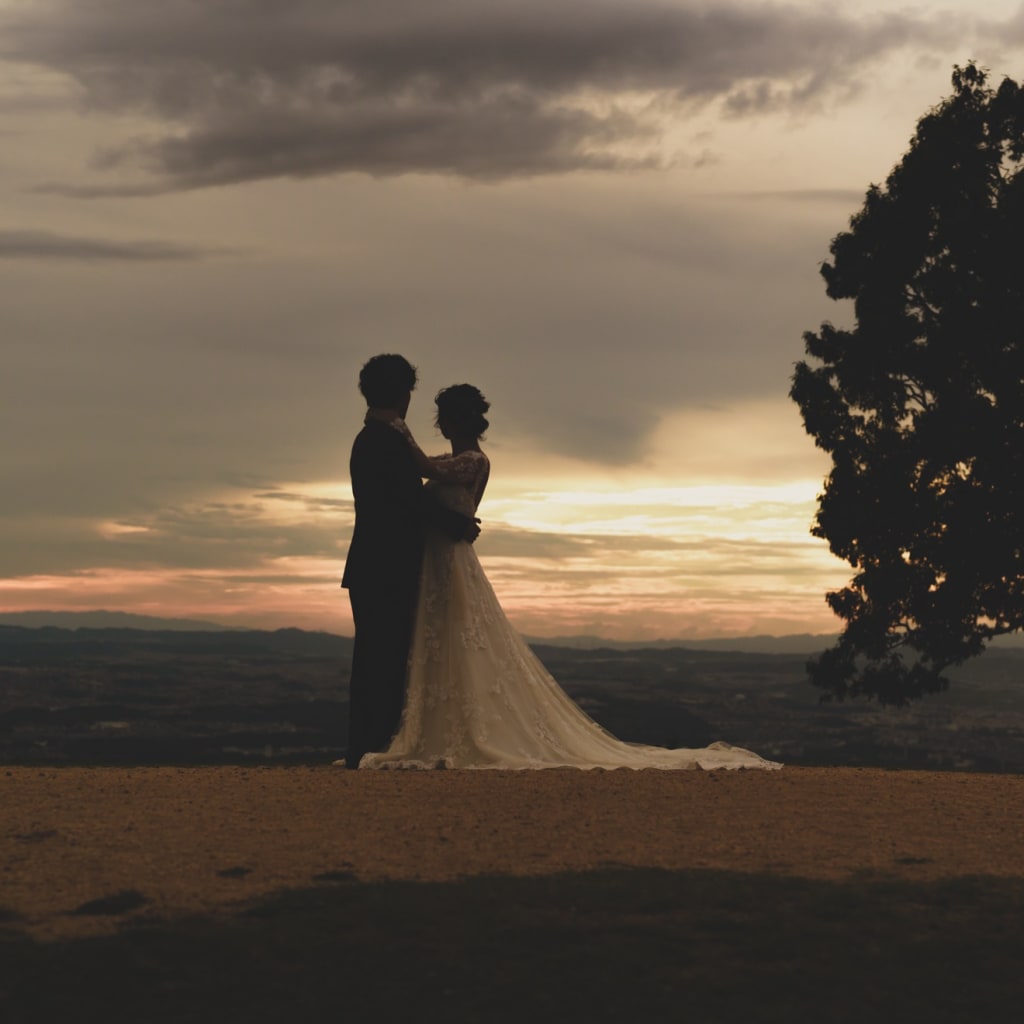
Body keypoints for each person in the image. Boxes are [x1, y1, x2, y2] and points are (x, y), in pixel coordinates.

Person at [361, 383, 780, 771]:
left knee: (461, 640)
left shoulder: (472, 461)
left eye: (445, 417)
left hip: (452, 563)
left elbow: (420, 467)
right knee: (444, 641)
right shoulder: (455, 460)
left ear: (452, 421)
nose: (443, 424)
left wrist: (396, 427)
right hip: (436, 562)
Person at [341, 356, 480, 769]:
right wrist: (456, 524)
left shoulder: (372, 438)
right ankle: (373, 745)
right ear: (403, 394)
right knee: (383, 660)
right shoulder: (386, 440)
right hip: (387, 567)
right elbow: (407, 499)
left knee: (376, 657)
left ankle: (366, 745)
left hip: (373, 565)